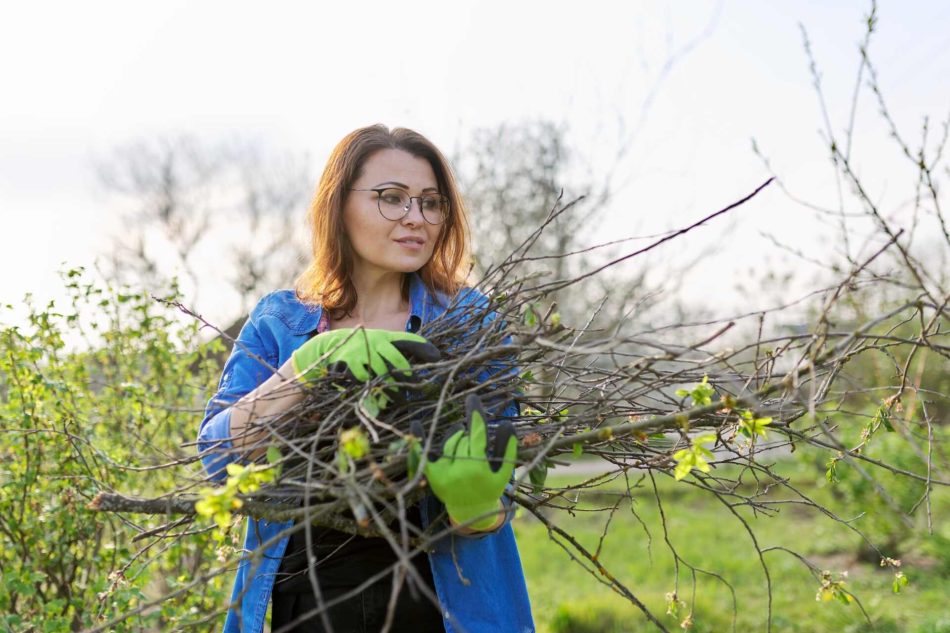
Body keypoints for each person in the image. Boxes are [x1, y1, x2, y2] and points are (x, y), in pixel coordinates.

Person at [197, 124, 535, 633]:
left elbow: (497, 492)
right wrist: (308, 364)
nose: (415, 218)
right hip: (309, 600)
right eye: (391, 198)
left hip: (443, 604)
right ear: (338, 205)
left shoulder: (469, 322)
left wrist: (476, 504)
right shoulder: (281, 322)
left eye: (431, 203)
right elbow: (219, 461)